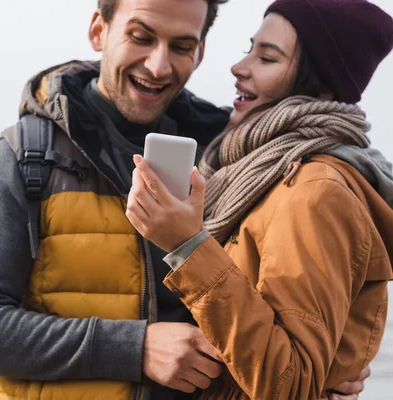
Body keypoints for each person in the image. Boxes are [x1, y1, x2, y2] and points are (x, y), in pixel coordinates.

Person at [0, 0, 370, 399]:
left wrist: (330, 368)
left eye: (181, 45)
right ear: (99, 30)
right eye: (141, 37)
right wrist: (136, 347)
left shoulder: (233, 159)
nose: (158, 65)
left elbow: (270, 322)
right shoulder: (25, 157)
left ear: (200, 51)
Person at [126, 0, 393, 399]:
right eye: (250, 49)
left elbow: (291, 386)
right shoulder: (256, 166)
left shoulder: (315, 191)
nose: (240, 67)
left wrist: (188, 246)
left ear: (320, 84)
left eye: (267, 57)